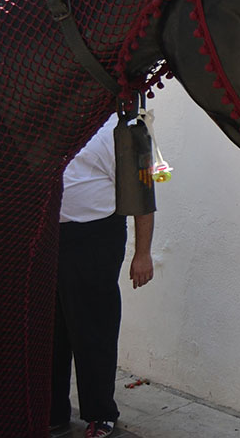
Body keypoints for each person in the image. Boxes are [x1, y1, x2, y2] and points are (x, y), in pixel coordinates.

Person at [50, 115, 155, 438]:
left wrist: (142, 253)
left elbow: (143, 195)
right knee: (52, 332)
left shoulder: (117, 130)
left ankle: (100, 414)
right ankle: (53, 412)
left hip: (96, 237)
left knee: (93, 330)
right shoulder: (51, 122)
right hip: (51, 239)